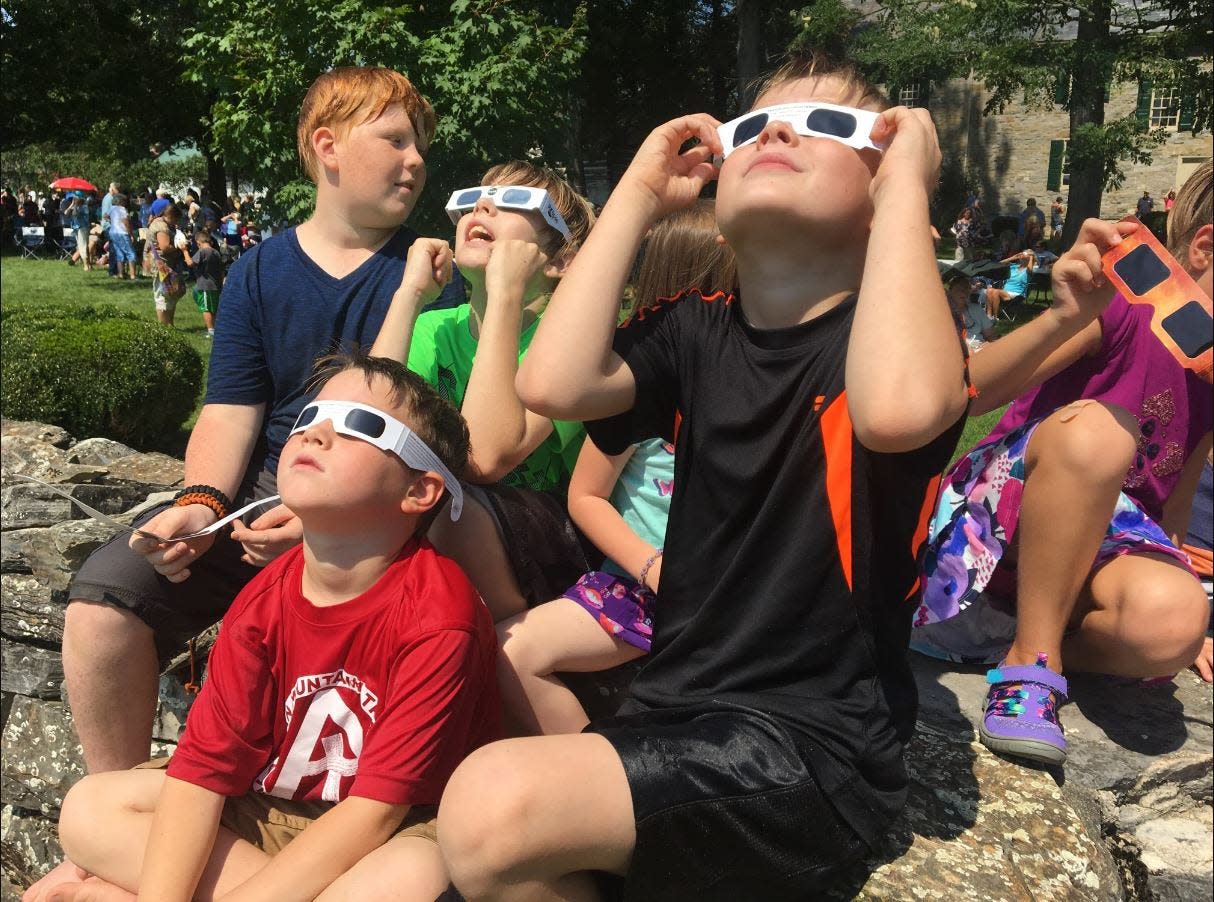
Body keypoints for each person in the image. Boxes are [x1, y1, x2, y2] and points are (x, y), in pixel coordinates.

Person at [435, 52, 969, 901]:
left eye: (828, 124)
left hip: (808, 753)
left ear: (883, 184)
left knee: (490, 805)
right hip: (674, 711)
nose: (780, 130)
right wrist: (637, 198)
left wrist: (908, 190)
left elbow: (900, 411)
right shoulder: (695, 328)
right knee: (416, 869)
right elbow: (553, 383)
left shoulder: (890, 344)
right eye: (751, 126)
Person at [54, 65, 436, 793]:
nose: (415, 159)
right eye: (393, 139)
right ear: (327, 146)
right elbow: (232, 406)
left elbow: (408, 425)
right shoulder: (260, 271)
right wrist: (199, 502)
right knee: (103, 605)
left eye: (420, 144)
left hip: (379, 499)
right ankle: (110, 817)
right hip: (262, 490)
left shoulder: (425, 272)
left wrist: (328, 512)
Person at [40, 352, 500, 902]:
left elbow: (377, 813)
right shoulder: (263, 597)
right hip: (272, 802)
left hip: (391, 827)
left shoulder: (439, 617)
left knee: (407, 881)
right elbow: (202, 772)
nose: (317, 434)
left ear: (419, 491)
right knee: (90, 809)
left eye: (361, 426)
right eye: (310, 418)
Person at [914, 159, 1214, 768]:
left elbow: (1171, 512)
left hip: (1086, 563)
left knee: (1174, 620)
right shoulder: (1125, 309)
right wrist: (1063, 315)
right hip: (999, 515)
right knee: (1101, 432)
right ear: (1206, 249)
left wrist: (1196, 626)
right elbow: (966, 391)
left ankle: (1026, 642)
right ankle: (1032, 664)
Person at [496, 201, 737, 736]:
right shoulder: (643, 390)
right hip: (638, 587)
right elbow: (587, 495)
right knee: (510, 650)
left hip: (738, 601)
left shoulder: (767, 385)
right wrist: (654, 569)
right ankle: (586, 767)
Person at [370, 161, 596, 624]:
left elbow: (484, 460)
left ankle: (501, 645)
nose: (484, 205)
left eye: (516, 200)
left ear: (559, 260)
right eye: (472, 197)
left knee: (456, 508)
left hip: (547, 539)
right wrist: (410, 295)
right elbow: (368, 419)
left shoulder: (573, 340)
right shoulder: (435, 327)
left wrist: (506, 293)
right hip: (447, 516)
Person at [145, 198, 188, 325]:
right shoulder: (161, 226)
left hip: (166, 264)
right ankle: (164, 327)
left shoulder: (162, 222)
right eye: (176, 219)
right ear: (170, 216)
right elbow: (164, 247)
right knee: (162, 295)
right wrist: (180, 247)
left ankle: (169, 324)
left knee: (171, 293)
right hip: (161, 264)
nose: (176, 223)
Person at [947, 273, 995, 352]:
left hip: (981, 350)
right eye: (959, 289)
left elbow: (990, 334)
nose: (963, 292)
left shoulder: (976, 309)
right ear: (950, 291)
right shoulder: (944, 312)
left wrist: (990, 344)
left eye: (966, 288)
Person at [984, 248, 1036, 319]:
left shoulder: (1029, 270)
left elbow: (1030, 269)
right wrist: (1012, 258)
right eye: (1022, 253)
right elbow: (998, 264)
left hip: (1017, 294)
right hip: (1004, 291)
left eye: (1024, 254)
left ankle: (995, 316)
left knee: (995, 291)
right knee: (989, 290)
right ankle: (989, 315)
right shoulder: (1013, 266)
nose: (1021, 255)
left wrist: (1031, 257)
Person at [191, 229, 224, 336]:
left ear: (198, 243)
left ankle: (211, 331)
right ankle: (215, 327)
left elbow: (190, 263)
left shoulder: (202, 251)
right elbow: (221, 270)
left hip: (206, 286)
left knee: (206, 309)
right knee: (212, 307)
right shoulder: (216, 252)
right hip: (215, 285)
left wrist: (184, 251)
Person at [107, 193, 138, 280]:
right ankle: (133, 275)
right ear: (121, 201)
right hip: (122, 233)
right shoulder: (122, 209)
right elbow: (126, 222)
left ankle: (120, 274)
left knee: (119, 253)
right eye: (124, 201)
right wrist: (131, 234)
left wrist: (112, 222)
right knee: (131, 253)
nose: (125, 203)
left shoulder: (112, 208)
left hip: (113, 232)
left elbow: (105, 216)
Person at [61, 193, 91, 270]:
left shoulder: (84, 207)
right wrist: (72, 204)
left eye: (76, 198)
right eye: (74, 198)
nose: (74, 199)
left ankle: (86, 266)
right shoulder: (75, 206)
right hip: (76, 228)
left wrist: (76, 206)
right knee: (83, 246)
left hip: (83, 228)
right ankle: (89, 265)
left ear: (80, 199)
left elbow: (76, 213)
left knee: (82, 246)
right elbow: (66, 213)